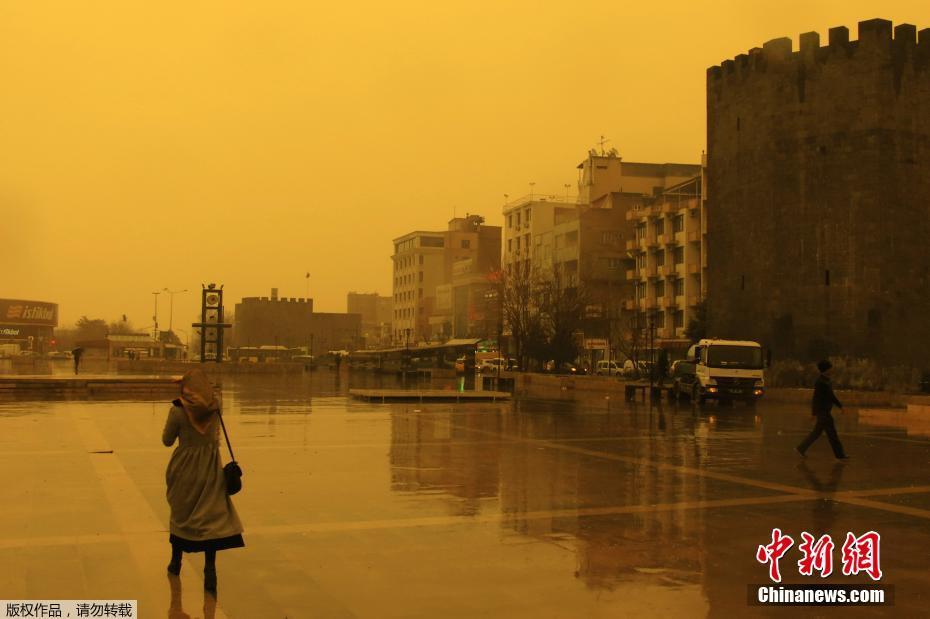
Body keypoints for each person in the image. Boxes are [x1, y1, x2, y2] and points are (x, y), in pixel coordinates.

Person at [162, 369, 244, 593]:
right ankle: (210, 570)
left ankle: (175, 561)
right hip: (210, 468)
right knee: (209, 518)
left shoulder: (177, 411)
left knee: (182, 513)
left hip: (184, 469)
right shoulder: (215, 408)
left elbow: (167, 441)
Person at [796, 360, 849, 460]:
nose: (832, 370)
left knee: (816, 433)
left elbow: (831, 396)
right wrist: (814, 413)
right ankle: (840, 455)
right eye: (830, 368)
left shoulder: (827, 381)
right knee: (832, 434)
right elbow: (816, 398)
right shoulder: (820, 382)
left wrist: (840, 406)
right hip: (823, 413)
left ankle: (801, 448)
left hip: (825, 412)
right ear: (826, 369)